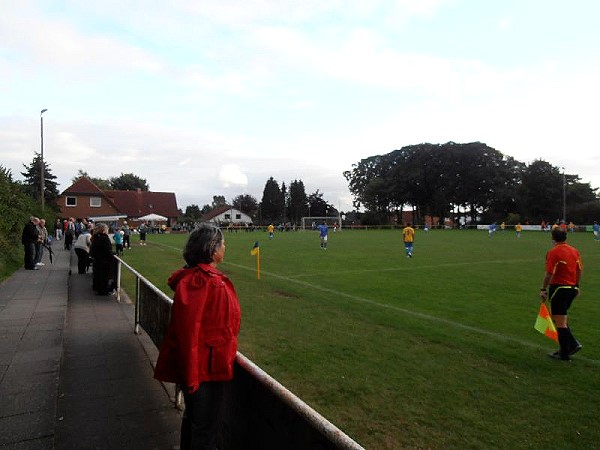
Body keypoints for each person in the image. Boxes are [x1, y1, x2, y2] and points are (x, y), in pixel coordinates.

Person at [154, 224, 241, 450]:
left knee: (197, 424)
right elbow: (188, 331)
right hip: (205, 370)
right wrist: (191, 375)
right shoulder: (201, 281)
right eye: (222, 243)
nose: (225, 246)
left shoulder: (203, 278)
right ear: (211, 250)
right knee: (206, 429)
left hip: (209, 365)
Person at [540, 228, 583, 361]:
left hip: (559, 289)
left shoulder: (553, 252)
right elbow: (579, 270)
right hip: (571, 289)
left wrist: (543, 289)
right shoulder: (574, 251)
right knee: (559, 318)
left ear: (553, 238)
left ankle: (565, 353)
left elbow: (549, 273)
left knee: (560, 321)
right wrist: (576, 286)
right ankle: (572, 344)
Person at [89, 223, 114, 295]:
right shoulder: (104, 238)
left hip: (98, 260)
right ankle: (103, 291)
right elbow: (107, 249)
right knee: (104, 276)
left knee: (99, 275)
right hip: (104, 261)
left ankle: (99, 289)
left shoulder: (95, 237)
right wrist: (111, 255)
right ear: (103, 230)